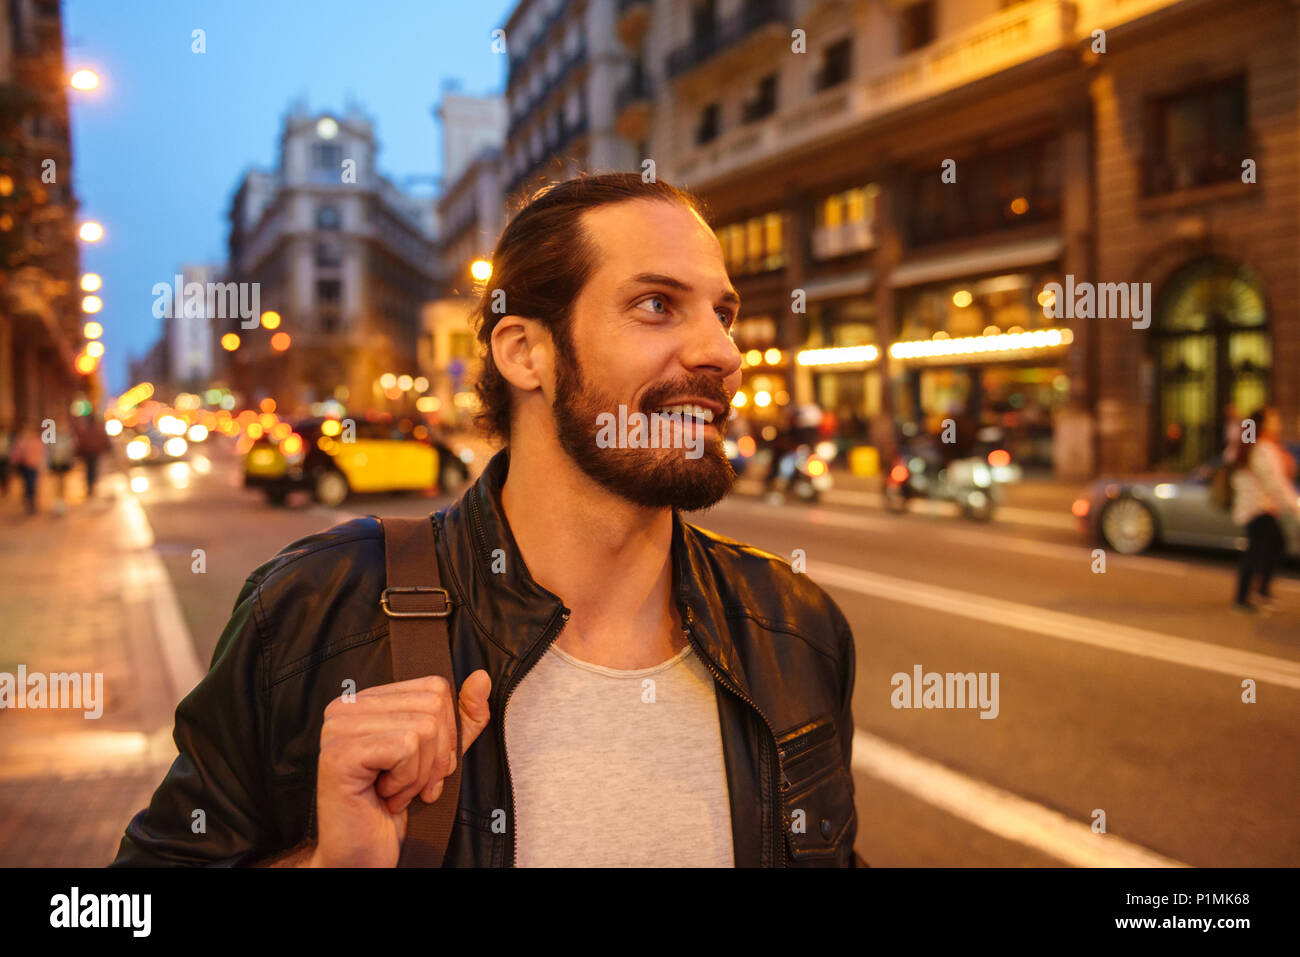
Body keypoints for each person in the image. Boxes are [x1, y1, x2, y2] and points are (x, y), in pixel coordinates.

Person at [112, 172, 861, 868]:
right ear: (524, 350)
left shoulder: (796, 626)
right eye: (657, 305)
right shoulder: (312, 611)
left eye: (723, 314)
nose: (723, 353)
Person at [1228, 406, 1299, 613]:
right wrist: (1294, 506)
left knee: (1272, 546)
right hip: (1258, 507)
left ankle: (1260, 592)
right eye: (1273, 418)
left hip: (1260, 505)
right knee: (1258, 551)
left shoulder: (1259, 444)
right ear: (1264, 423)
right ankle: (1244, 597)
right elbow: (1274, 481)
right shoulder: (1261, 447)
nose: (1277, 421)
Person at [9, 423, 44, 515]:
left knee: (32, 483)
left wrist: (41, 463)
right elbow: (16, 452)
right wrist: (14, 461)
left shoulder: (36, 440)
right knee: (27, 483)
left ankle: (32, 500)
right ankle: (28, 499)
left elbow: (41, 452)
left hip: (34, 466)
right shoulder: (21, 440)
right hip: (25, 466)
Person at [47, 417, 76, 515]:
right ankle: (57, 502)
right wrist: (48, 463)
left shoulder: (68, 438)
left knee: (63, 482)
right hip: (55, 462)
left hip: (64, 462)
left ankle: (62, 501)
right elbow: (48, 452)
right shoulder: (52, 438)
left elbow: (71, 451)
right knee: (56, 482)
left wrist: (71, 461)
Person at [75, 414, 109, 497]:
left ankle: (90, 485)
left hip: (89, 452)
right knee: (92, 469)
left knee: (90, 469)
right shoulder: (95, 429)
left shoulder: (87, 429)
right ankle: (91, 484)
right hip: (93, 452)